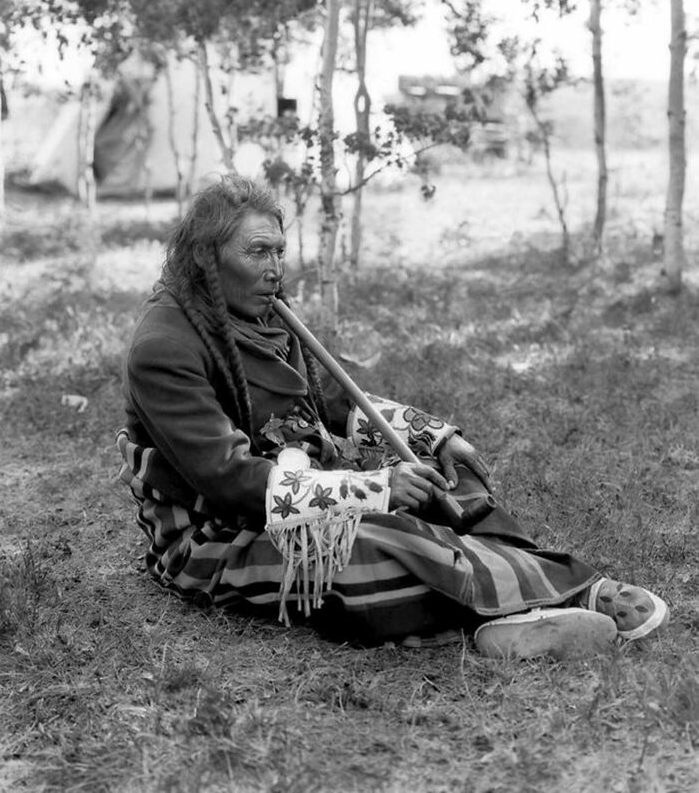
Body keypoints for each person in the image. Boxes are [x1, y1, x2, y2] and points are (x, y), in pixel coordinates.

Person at [117, 175, 668, 657]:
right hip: (219, 537)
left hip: (311, 484)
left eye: (279, 252)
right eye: (258, 253)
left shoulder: (260, 312)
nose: (275, 270)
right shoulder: (163, 346)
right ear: (207, 258)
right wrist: (372, 489)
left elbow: (333, 400)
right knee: (371, 543)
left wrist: (432, 435)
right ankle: (569, 594)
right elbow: (229, 479)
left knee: (450, 474)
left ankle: (511, 608)